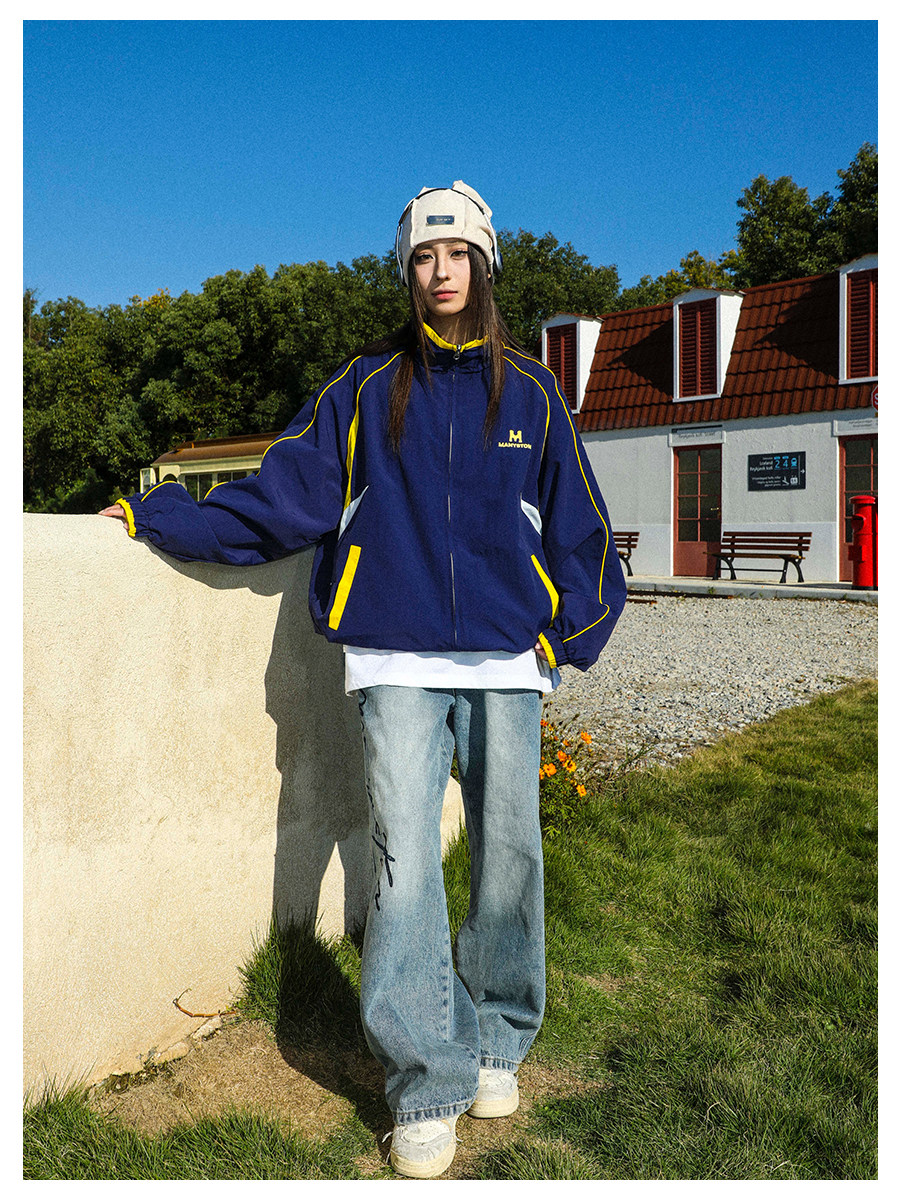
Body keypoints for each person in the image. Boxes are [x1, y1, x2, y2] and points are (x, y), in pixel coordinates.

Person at [101, 180, 626, 1179]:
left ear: (485, 265)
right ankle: (424, 1080)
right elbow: (280, 499)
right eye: (424, 257)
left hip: (508, 661)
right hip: (393, 656)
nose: (441, 272)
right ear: (407, 270)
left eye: (458, 254)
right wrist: (151, 514)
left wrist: (565, 638)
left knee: (510, 853)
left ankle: (498, 1036)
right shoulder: (363, 386)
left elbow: (582, 529)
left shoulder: (534, 393)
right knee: (404, 864)